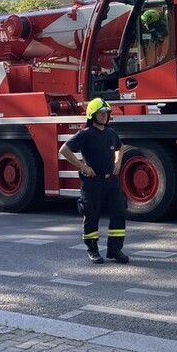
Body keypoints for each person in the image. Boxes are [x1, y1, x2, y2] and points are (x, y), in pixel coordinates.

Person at [59, 98, 129, 264]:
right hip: (93, 182)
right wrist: (83, 167)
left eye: (106, 113)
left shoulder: (111, 133)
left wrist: (117, 162)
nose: (104, 116)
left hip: (111, 181)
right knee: (91, 214)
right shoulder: (85, 134)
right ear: (92, 114)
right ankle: (93, 249)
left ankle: (115, 249)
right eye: (101, 113)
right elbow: (64, 150)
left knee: (118, 212)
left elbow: (121, 147)